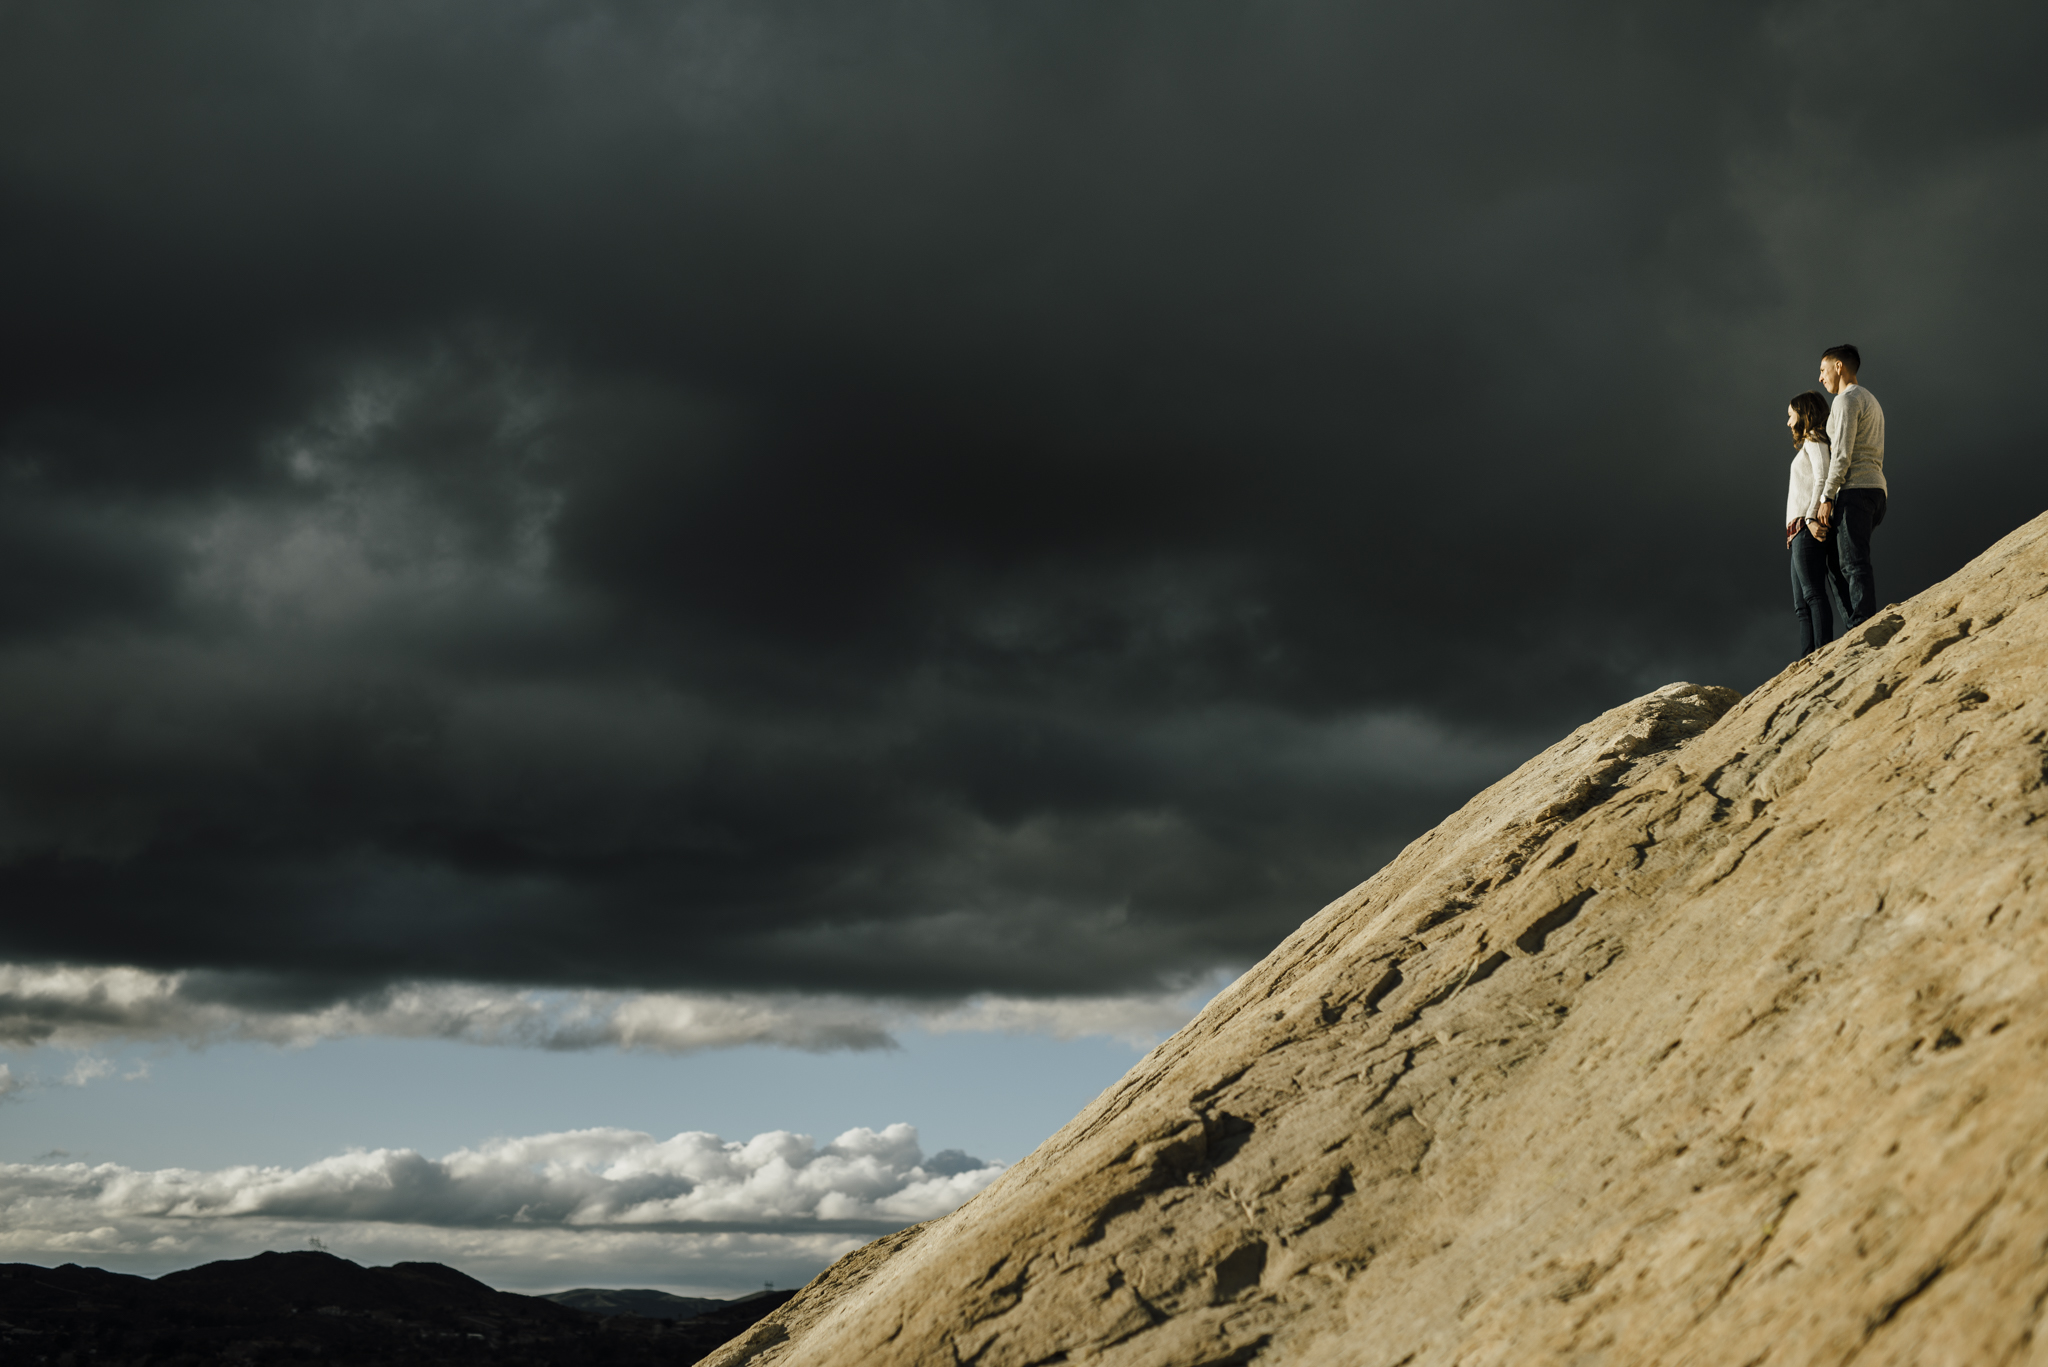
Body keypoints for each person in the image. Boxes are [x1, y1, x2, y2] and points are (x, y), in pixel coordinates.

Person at [1815, 344, 1887, 626]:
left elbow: (1842, 454)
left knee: (1852, 562)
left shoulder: (1845, 401)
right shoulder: (1871, 400)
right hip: (1876, 490)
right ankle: (1856, 621)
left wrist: (1827, 495)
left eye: (1823, 370)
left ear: (1838, 367)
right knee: (1838, 561)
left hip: (1855, 489)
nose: (1820, 378)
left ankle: (1862, 623)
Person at [1784, 391, 1843, 656]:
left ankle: (1822, 654)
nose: (1788, 422)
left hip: (1806, 527)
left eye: (1790, 415)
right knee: (1801, 605)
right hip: (1797, 531)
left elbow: (1822, 477)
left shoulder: (1815, 438)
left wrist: (1810, 517)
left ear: (1803, 412)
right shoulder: (1810, 442)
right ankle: (1806, 660)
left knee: (1813, 595)